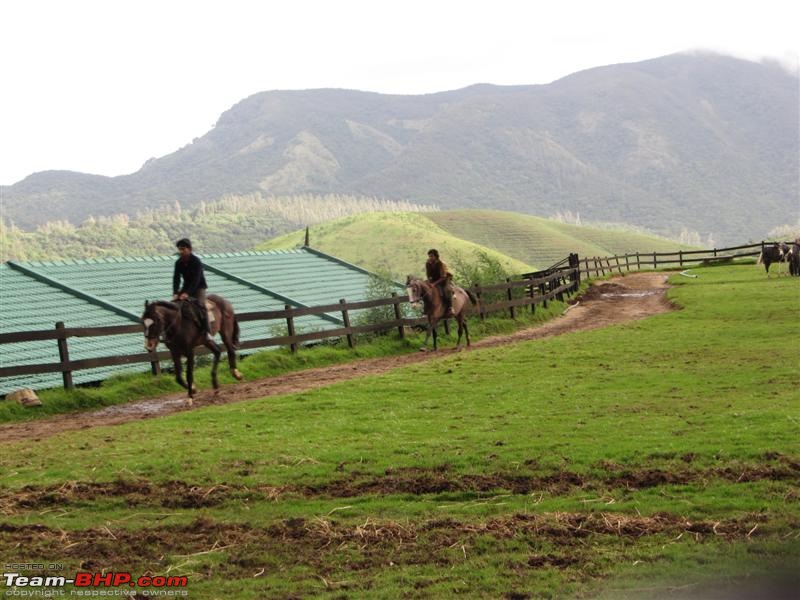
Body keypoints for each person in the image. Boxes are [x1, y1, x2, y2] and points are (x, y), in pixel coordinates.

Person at [172, 238, 212, 339]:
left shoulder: (196, 261)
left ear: (189, 249)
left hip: (199, 287)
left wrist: (187, 293)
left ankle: (207, 332)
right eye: (180, 249)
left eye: (183, 249)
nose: (181, 251)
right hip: (186, 287)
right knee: (174, 305)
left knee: (201, 306)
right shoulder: (178, 263)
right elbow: (176, 278)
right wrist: (176, 292)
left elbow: (196, 279)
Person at [426, 248, 455, 317]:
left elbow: (443, 277)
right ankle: (427, 309)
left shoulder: (441, 263)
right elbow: (428, 274)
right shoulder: (428, 263)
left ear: (436, 256)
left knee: (447, 290)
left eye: (432, 256)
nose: (430, 258)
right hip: (434, 279)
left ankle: (450, 308)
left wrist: (434, 284)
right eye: (429, 256)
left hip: (444, 279)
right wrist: (429, 281)